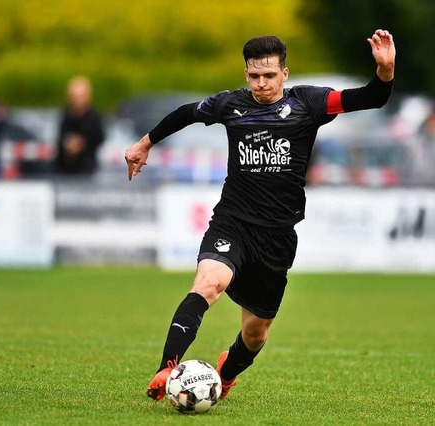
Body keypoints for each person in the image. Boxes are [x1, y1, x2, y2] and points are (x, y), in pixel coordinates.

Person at [125, 29, 395, 402]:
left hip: (277, 236)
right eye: (254, 76)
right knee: (207, 284)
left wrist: (385, 71)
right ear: (246, 73)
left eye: (269, 75)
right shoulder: (231, 104)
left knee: (256, 334)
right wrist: (145, 143)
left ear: (285, 73)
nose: (261, 83)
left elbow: (372, 98)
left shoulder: (310, 103)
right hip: (233, 221)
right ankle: (167, 367)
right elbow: (186, 113)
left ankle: (226, 373)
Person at [55, 76, 105, 175]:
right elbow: (59, 141)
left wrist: (81, 145)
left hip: (90, 171)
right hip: (65, 172)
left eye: (79, 97)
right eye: (73, 97)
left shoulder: (94, 118)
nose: (76, 101)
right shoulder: (65, 116)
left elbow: (100, 141)